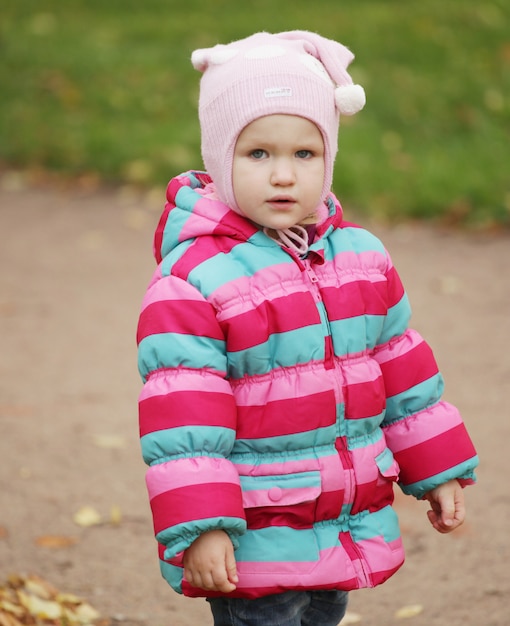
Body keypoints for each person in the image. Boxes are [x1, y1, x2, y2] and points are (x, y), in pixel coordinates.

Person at [136, 30, 478, 626]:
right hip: (253, 534)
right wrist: (204, 526)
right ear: (221, 159)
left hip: (340, 522)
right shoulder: (195, 281)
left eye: (304, 154)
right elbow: (186, 419)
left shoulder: (361, 259)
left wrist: (437, 470)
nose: (283, 176)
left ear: (329, 158)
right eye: (258, 154)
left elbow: (403, 372)